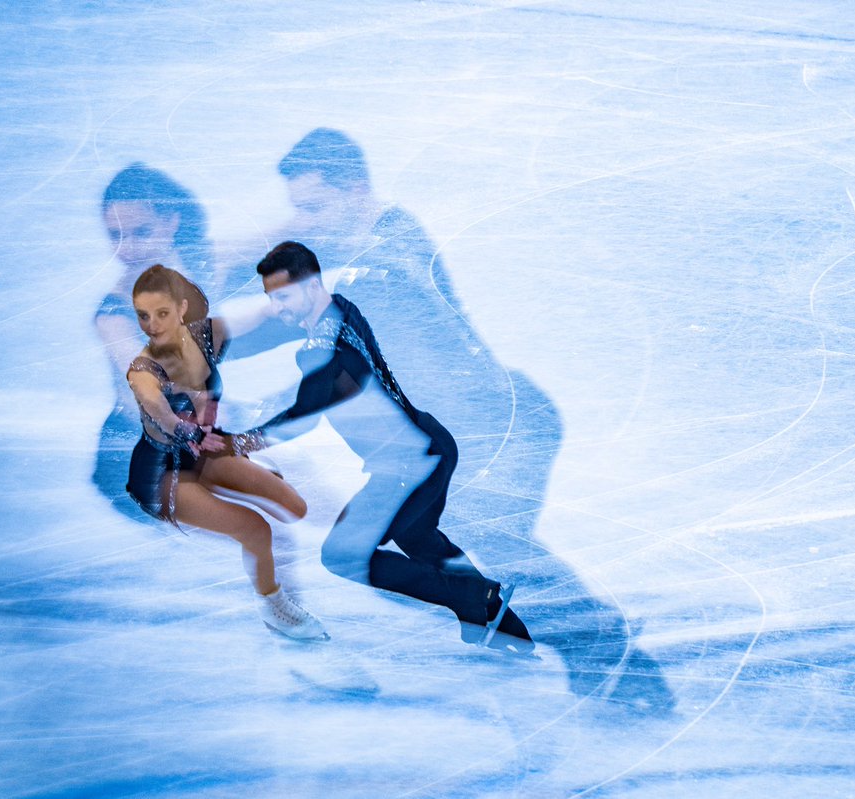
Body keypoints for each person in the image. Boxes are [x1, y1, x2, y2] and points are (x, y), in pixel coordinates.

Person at [271, 130, 672, 707]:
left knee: (486, 540)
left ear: (355, 187)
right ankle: (566, 641)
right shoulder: (384, 234)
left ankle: (608, 658)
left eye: (314, 207)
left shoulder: (382, 268)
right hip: (482, 425)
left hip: (500, 429)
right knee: (422, 542)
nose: (305, 223)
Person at [229, 242, 533, 652]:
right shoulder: (343, 309)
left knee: (343, 554)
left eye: (282, 296)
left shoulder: (322, 349)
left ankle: (474, 598)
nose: (277, 307)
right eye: (271, 297)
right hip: (428, 448)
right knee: (420, 539)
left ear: (312, 284)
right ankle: (498, 621)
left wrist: (242, 442)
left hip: (408, 465)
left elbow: (306, 412)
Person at [124, 263, 325, 640]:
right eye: (143, 316)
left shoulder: (206, 335)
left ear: (182, 309)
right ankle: (273, 608)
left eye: (161, 313)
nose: (151, 325)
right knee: (255, 528)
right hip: (163, 474)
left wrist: (307, 302)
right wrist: (187, 431)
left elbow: (261, 315)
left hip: (206, 451)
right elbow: (158, 409)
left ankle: (238, 471)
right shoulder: (143, 370)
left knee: (295, 507)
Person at [92, 164, 215, 515]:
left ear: (171, 223)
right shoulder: (114, 313)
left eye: (140, 231)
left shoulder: (198, 266)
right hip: (136, 457)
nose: (127, 248)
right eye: (116, 236)